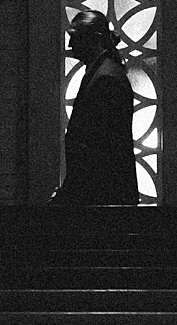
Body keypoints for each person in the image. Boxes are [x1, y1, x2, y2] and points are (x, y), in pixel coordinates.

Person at [52, 10, 139, 205]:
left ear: (96, 39)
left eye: (75, 37)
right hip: (103, 193)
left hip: (101, 195)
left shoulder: (105, 78)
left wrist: (69, 193)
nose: (69, 45)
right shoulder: (104, 73)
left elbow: (97, 150)